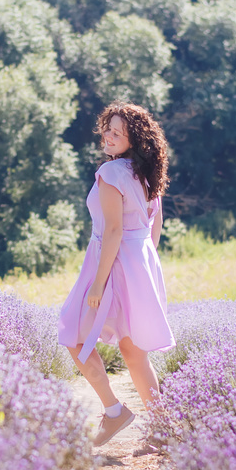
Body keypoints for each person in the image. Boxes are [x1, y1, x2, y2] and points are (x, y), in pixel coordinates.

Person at [57, 101, 176, 448]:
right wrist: (144, 263)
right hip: (140, 262)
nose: (107, 137)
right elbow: (154, 225)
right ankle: (162, 430)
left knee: (73, 333)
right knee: (133, 351)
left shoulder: (110, 173)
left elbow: (112, 231)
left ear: (133, 140)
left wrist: (99, 282)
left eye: (117, 133)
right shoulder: (145, 174)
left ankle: (113, 411)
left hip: (111, 262)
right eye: (107, 130)